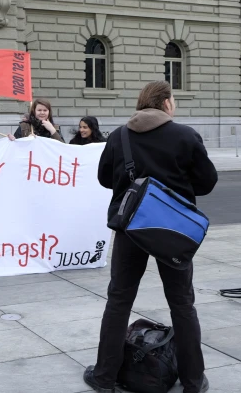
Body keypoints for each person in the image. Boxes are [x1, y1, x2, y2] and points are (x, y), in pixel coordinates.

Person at [84, 81, 217, 393]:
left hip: (131, 227)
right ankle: (193, 381)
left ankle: (104, 377)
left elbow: (105, 178)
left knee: (119, 300)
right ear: (166, 103)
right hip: (172, 230)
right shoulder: (185, 135)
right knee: (182, 304)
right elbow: (207, 181)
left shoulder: (119, 136)